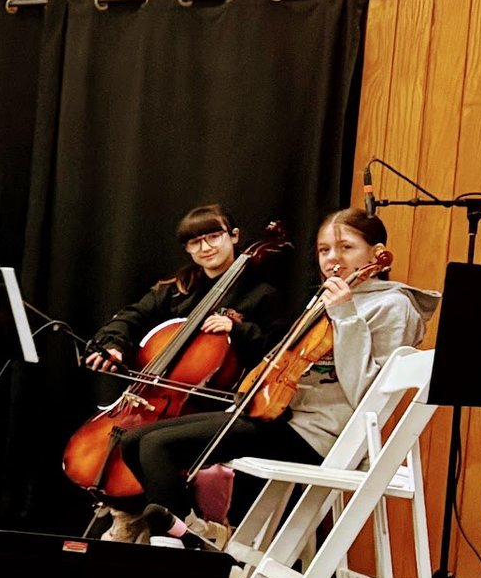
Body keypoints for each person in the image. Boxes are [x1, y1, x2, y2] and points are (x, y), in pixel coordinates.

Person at [109, 208, 435, 541]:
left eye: (346, 247)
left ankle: (185, 548)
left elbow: (368, 395)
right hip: (281, 414)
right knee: (134, 440)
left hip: (319, 433)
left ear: (377, 253)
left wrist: (347, 318)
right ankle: (197, 532)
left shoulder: (394, 307)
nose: (332, 258)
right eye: (324, 250)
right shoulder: (329, 297)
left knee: (158, 448)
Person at [83, 204, 290, 377]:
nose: (205, 248)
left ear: (234, 236)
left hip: (218, 406)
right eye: (195, 242)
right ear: (187, 249)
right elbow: (130, 316)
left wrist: (236, 329)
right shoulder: (177, 289)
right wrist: (113, 344)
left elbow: (279, 351)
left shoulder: (263, 295)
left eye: (214, 236)